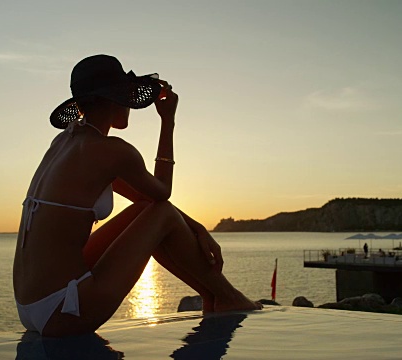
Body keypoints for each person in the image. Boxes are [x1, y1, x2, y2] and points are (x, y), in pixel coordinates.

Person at [13, 54, 262, 337]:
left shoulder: (65, 143)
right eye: (126, 95)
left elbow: (148, 200)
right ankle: (227, 296)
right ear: (113, 98)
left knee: (151, 212)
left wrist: (197, 226)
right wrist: (168, 121)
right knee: (163, 214)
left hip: (31, 307)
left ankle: (212, 297)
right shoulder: (112, 151)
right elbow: (163, 193)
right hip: (65, 310)